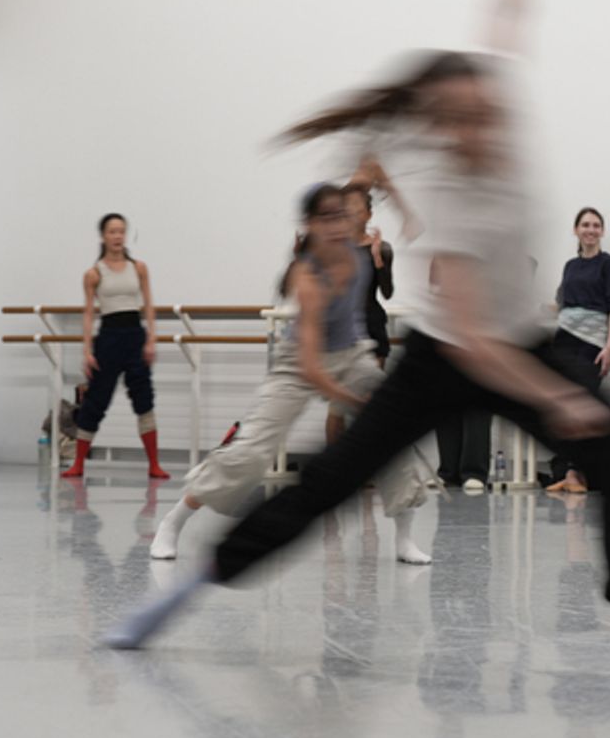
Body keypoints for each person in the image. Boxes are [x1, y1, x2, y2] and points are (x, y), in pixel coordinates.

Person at [105, 0, 610, 703]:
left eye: (479, 109)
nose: (473, 126)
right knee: (331, 479)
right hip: (447, 355)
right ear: (437, 124)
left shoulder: (500, 109)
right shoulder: (447, 191)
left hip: (520, 340)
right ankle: (177, 595)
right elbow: (475, 345)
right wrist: (557, 396)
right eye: (453, 118)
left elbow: (504, 20)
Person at [148, 183, 430, 565]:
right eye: (326, 218)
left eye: (342, 215)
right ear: (310, 225)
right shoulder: (307, 275)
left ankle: (404, 539)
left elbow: (365, 173)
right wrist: (352, 400)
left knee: (392, 431)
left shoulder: (365, 251)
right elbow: (313, 368)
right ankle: (174, 521)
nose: (336, 225)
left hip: (352, 354)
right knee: (251, 451)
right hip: (300, 362)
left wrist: (381, 174)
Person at [60, 213, 170, 479]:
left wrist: (152, 338)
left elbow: (149, 304)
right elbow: (89, 313)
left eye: (121, 231)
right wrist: (86, 350)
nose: (118, 236)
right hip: (108, 338)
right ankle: (79, 464)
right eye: (112, 232)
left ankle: (154, 464)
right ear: (103, 236)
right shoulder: (94, 274)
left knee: (144, 397)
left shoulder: (139, 268)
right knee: (96, 400)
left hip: (135, 336)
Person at [548, 206, 610, 493]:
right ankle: (567, 471)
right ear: (576, 230)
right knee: (563, 406)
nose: (591, 230)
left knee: (586, 405)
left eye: (596, 225)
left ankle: (579, 471)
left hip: (593, 341)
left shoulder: (609, 264)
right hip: (565, 337)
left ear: (602, 231)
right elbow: (562, 301)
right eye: (585, 225)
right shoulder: (570, 265)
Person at [323, 183, 395, 447]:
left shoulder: (382, 247)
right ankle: (332, 474)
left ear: (368, 214)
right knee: (336, 409)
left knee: (367, 407)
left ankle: (366, 476)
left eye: (357, 208)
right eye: (347, 209)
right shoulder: (334, 248)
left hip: (372, 328)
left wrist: (378, 261)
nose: (352, 213)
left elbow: (387, 292)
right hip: (342, 332)